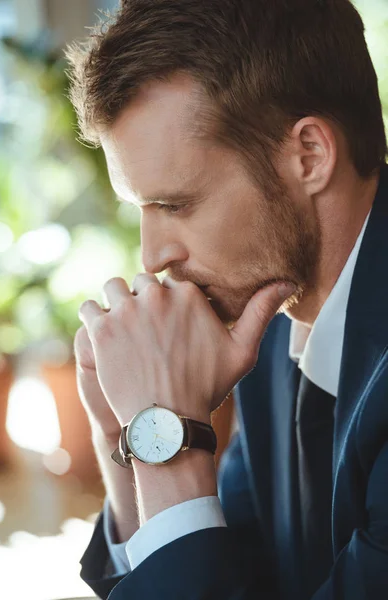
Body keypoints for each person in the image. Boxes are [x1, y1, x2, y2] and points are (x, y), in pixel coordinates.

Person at [67, 0, 388, 598]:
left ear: (310, 155)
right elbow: (229, 566)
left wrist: (171, 442)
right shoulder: (267, 321)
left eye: (176, 204)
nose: (151, 257)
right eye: (141, 209)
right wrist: (125, 432)